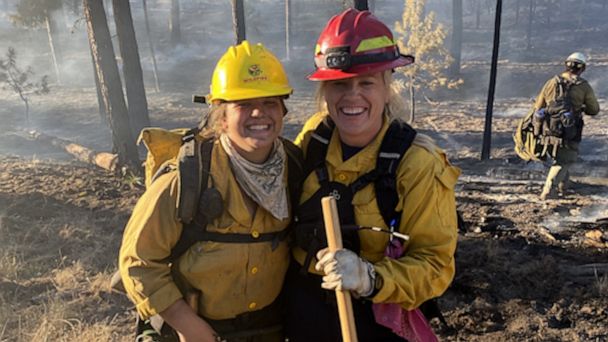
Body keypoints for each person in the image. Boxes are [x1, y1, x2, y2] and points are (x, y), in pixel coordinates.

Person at [284, 9, 460, 341]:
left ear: (386, 87)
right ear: (325, 93)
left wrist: (368, 278)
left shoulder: (417, 163)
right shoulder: (313, 140)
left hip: (373, 318)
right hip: (304, 310)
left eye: (366, 82)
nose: (352, 96)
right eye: (339, 85)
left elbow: (435, 266)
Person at [119, 41, 301, 342]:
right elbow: (138, 262)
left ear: (282, 111)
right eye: (243, 104)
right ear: (222, 117)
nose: (260, 113)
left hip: (270, 329)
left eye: (270, 102)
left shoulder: (295, 169)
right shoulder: (188, 178)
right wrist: (190, 327)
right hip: (194, 329)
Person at [534, 52, 600, 200]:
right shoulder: (583, 86)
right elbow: (594, 110)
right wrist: (580, 107)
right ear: (582, 68)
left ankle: (563, 186)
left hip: (548, 129)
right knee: (564, 160)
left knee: (560, 158)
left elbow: (538, 106)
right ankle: (548, 191)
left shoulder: (551, 82)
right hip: (569, 131)